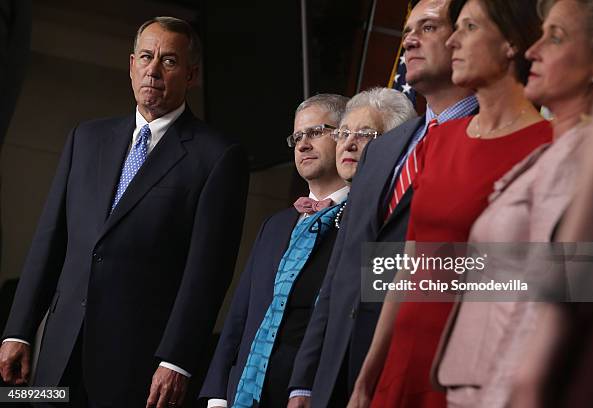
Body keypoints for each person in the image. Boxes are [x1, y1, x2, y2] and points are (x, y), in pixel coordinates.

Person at [0, 17, 249, 407]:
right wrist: (18, 330)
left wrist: (177, 360)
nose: (153, 69)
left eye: (168, 61)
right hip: (58, 353)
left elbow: (207, 272)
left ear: (191, 74)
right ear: (131, 64)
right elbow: (50, 241)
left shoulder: (217, 157)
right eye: (146, 57)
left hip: (137, 366)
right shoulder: (86, 138)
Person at [350, 0, 551, 407]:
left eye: (469, 27)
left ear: (511, 41)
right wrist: (369, 373)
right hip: (400, 362)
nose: (453, 39)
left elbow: (561, 278)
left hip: (474, 371)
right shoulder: (440, 141)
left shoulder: (550, 145)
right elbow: (409, 266)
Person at [288, 1, 478, 406]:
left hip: (422, 374)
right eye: (409, 29)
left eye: (428, 27)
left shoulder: (491, 136)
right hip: (336, 375)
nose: (409, 39)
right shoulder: (385, 147)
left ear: (465, 35)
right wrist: (305, 381)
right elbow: (341, 271)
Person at [433, 0, 593, 406]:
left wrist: (509, 391)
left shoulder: (579, 155)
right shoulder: (555, 151)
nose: (533, 49)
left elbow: (547, 295)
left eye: (557, 37)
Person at [199, 94, 349, 408]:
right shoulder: (275, 225)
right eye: (297, 137)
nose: (303, 145)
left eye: (315, 132)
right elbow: (239, 314)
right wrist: (216, 394)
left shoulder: (364, 222)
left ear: (346, 136)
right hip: (244, 396)